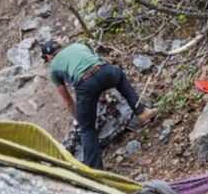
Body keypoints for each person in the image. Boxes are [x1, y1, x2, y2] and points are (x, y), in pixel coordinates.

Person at [41, 40, 158, 170]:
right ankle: (141, 112)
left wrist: (80, 120)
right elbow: (95, 65)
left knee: (87, 130)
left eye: (47, 60)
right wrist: (101, 95)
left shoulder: (54, 67)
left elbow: (68, 101)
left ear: (50, 57)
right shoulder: (78, 45)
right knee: (119, 76)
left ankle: (95, 169)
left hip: (84, 84)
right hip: (105, 71)